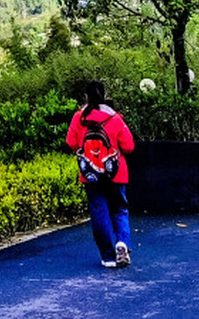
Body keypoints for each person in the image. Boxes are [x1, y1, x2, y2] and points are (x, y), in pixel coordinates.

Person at [65, 79, 135, 268]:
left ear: (85, 97)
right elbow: (129, 147)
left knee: (99, 213)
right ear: (104, 96)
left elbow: (71, 143)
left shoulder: (78, 118)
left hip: (91, 174)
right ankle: (123, 243)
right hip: (116, 173)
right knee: (119, 210)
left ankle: (108, 256)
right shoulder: (114, 117)